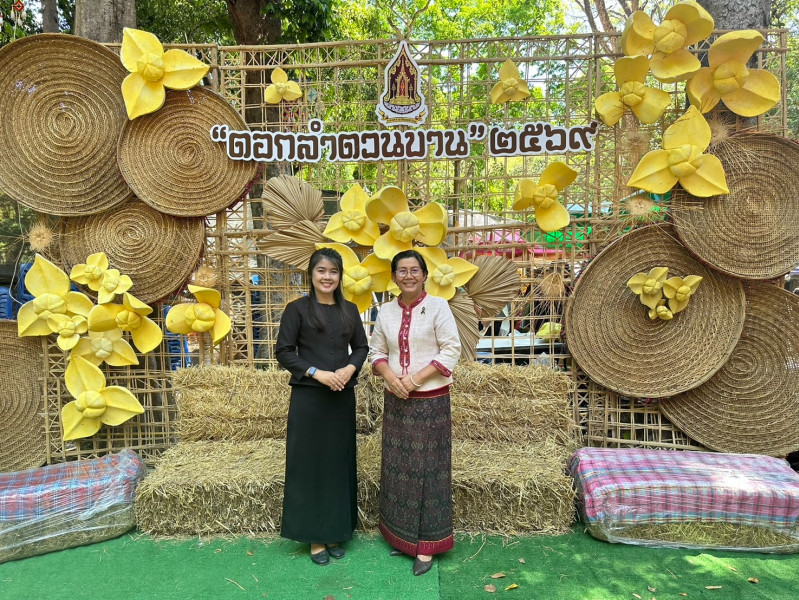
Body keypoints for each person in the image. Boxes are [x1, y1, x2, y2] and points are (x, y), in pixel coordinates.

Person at [369, 249, 461, 576]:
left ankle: (428, 545)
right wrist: (392, 378)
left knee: (430, 471)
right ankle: (403, 537)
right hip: (396, 400)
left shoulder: (438, 306)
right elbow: (376, 351)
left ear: (424, 275)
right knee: (399, 469)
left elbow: (451, 349)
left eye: (414, 270)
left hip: (431, 402)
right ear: (394, 277)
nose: (408, 276)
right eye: (402, 270)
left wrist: (415, 379)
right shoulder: (385, 311)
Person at [275, 247, 369, 566]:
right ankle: (315, 536)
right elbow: (284, 352)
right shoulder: (297, 310)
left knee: (337, 463)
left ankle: (335, 531)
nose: (327, 277)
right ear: (311, 275)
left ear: (340, 276)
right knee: (310, 464)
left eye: (333, 271)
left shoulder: (350, 310)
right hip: (309, 399)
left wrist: (348, 369)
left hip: (341, 397)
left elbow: (361, 347)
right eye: (321, 271)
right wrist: (318, 373)